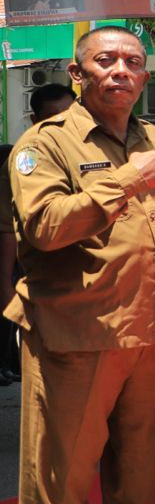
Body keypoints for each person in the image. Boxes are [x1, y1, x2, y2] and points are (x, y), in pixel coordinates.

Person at [7, 27, 155, 504]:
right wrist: (126, 181)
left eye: (132, 62)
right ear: (78, 73)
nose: (120, 71)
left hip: (151, 330)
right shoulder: (44, 143)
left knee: (142, 463)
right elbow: (44, 226)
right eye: (105, 60)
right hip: (77, 334)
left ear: (145, 78)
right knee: (60, 473)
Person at [0, 83, 78, 387]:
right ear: (35, 120)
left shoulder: (91, 151)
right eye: (52, 118)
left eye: (69, 116)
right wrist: (9, 294)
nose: (62, 125)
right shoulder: (24, 160)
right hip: (40, 287)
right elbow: (7, 238)